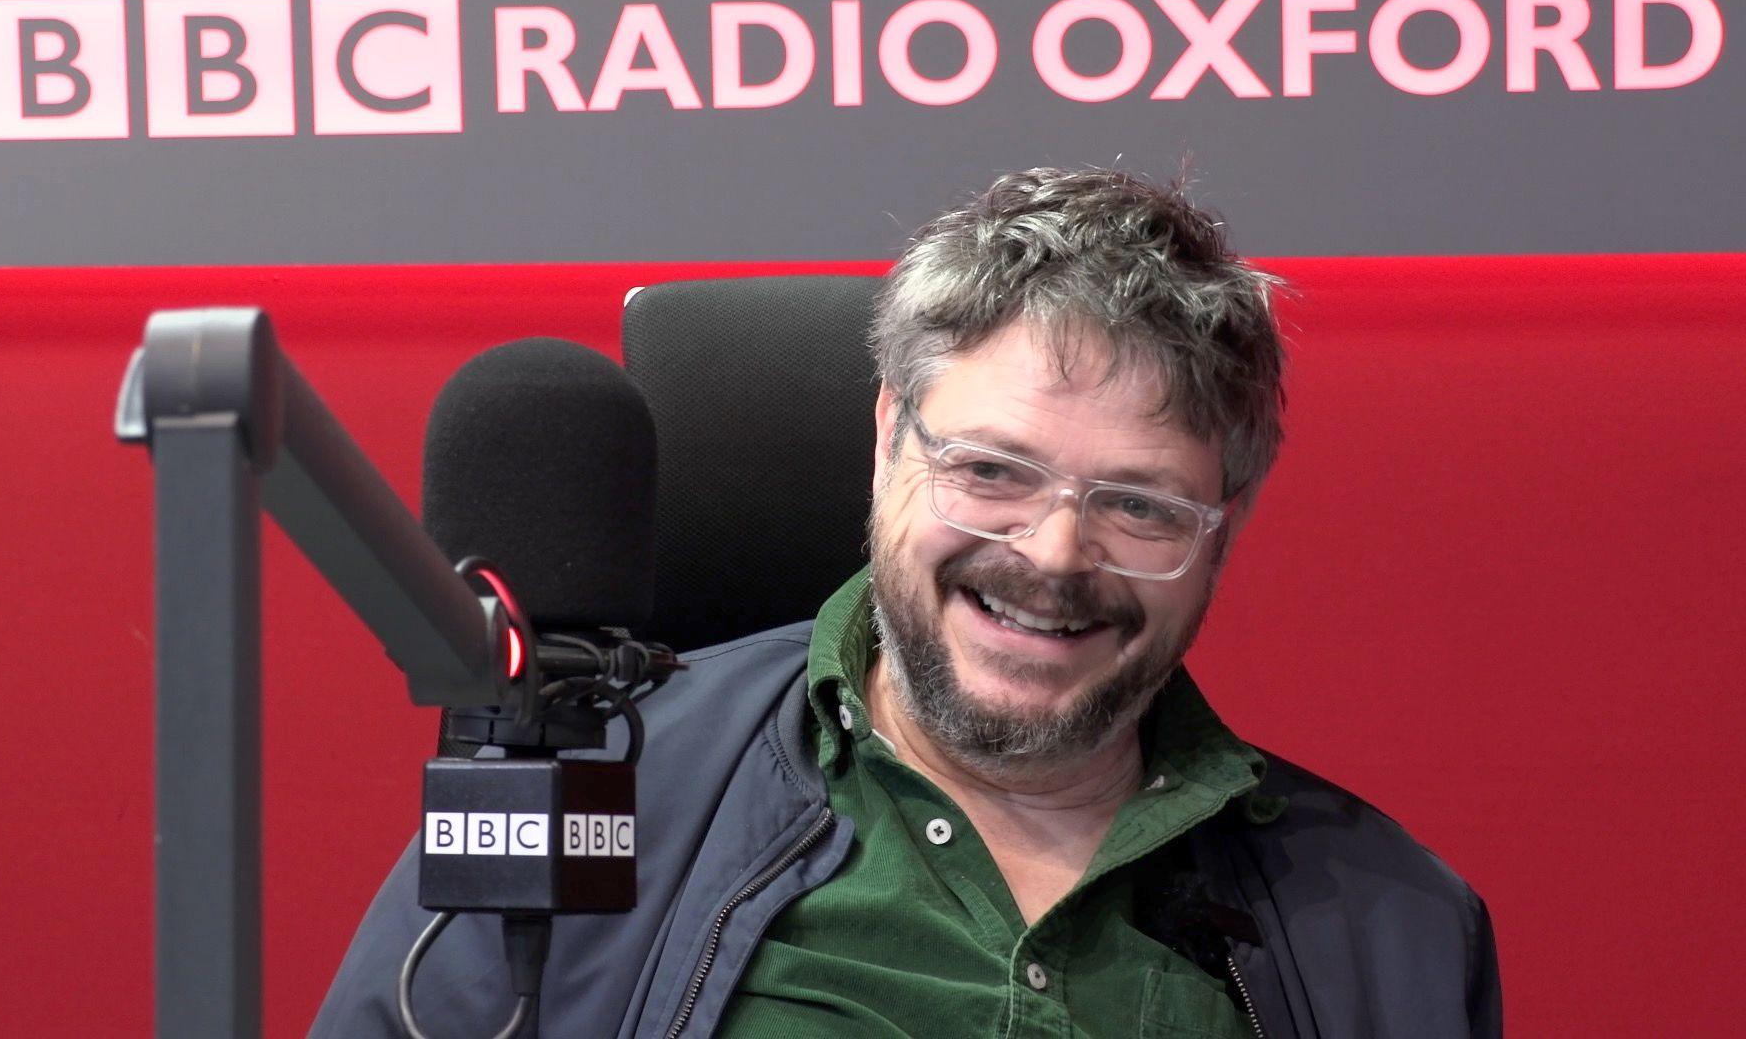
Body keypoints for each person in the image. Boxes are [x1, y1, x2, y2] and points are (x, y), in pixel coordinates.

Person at [313, 168, 1502, 1038]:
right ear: (889, 439)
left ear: (1222, 528)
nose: (1052, 555)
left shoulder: (1392, 930)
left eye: (1139, 506)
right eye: (991, 472)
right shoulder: (589, 799)